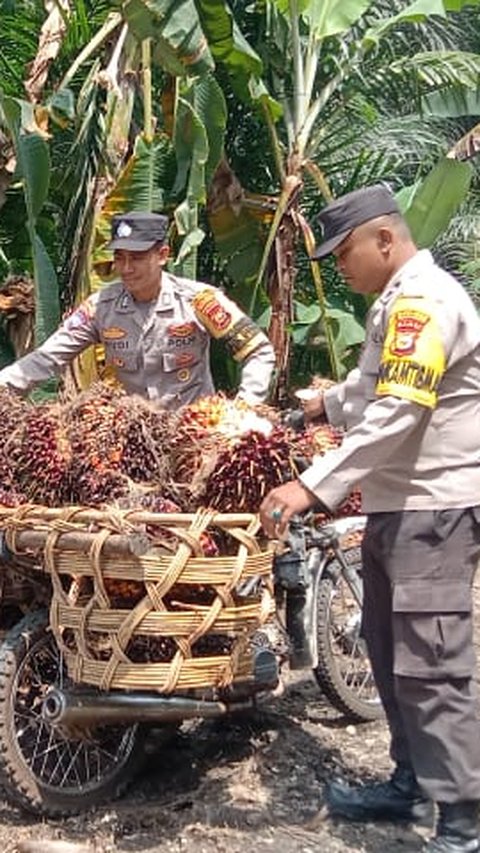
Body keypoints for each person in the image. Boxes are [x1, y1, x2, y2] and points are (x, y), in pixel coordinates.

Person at [259, 184, 480, 853]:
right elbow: (368, 390)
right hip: (398, 506)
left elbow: (397, 412)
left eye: (344, 251)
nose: (338, 267)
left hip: (433, 510)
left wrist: (310, 485)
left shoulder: (425, 301)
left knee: (431, 663)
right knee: (390, 651)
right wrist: (313, 411)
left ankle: (464, 820)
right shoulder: (395, 301)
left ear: (385, 239)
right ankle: (412, 779)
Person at [0, 211, 275, 408]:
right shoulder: (100, 308)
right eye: (120, 258)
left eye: (138, 258)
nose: (127, 268)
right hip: (137, 443)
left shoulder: (199, 300)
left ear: (163, 255)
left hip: (195, 436)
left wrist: (246, 408)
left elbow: (258, 350)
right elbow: (47, 358)